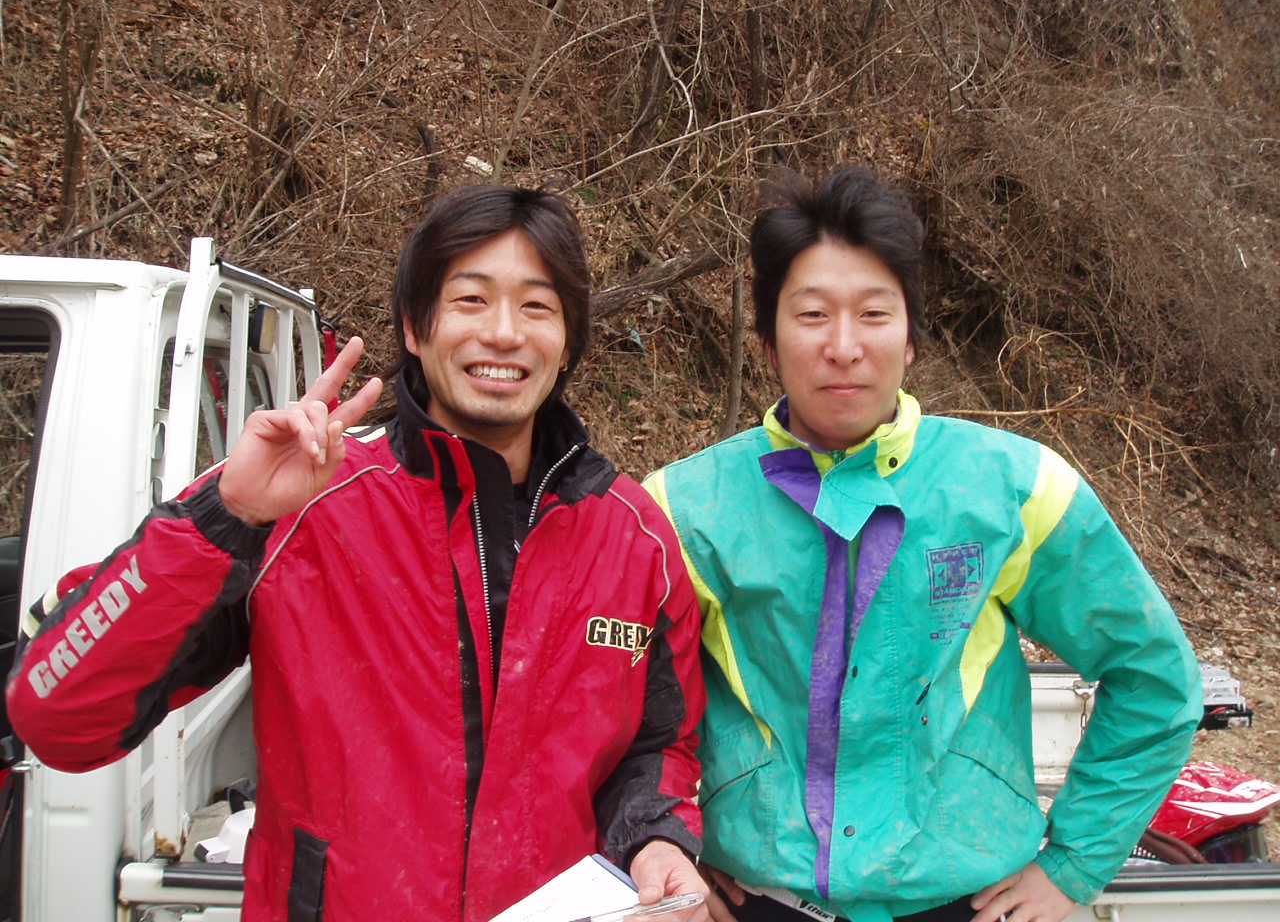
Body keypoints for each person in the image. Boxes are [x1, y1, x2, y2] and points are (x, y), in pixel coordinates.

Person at [6, 185, 709, 922]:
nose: (504, 333)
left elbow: (661, 745)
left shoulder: (632, 537)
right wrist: (227, 517)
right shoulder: (296, 501)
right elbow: (58, 717)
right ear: (414, 326)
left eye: (537, 306)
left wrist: (654, 839)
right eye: (470, 300)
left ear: (567, 341)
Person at [643, 168, 1201, 922]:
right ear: (768, 342)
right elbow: (625, 715)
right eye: (812, 315)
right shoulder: (682, 508)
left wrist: (1073, 863)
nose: (844, 346)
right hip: (759, 902)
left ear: (911, 338)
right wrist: (667, 839)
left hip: (970, 902)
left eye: (874, 313)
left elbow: (1153, 675)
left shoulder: (1012, 487)